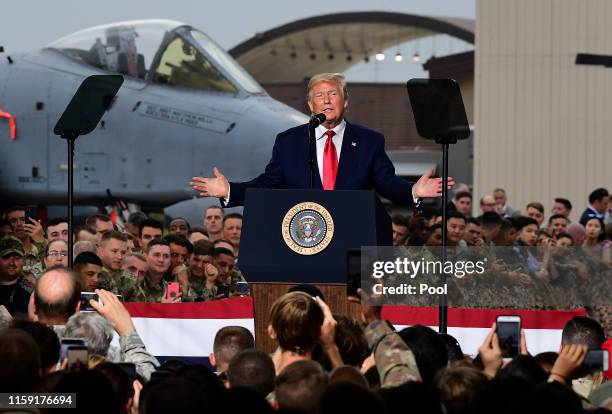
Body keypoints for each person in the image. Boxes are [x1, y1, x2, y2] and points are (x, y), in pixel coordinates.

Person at [190, 73, 453, 207]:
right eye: (319, 95)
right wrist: (230, 191)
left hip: (352, 239)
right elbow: (269, 184)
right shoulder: (289, 141)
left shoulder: (368, 141)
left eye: (333, 94)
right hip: (303, 237)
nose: (326, 100)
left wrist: (412, 191)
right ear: (309, 104)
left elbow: (385, 182)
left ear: (345, 101)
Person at [0, 237, 33, 316]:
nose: (12, 263)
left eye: (17, 258)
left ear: (24, 260)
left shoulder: (31, 290)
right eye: (6, 257)